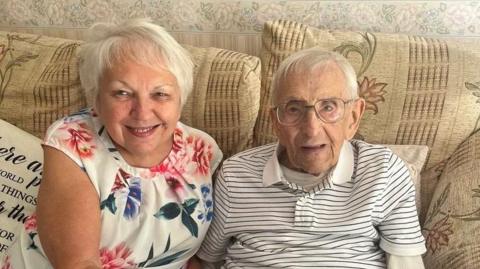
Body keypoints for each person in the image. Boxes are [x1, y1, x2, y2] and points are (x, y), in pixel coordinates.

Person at [1, 18, 222, 269]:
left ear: (180, 100)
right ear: (96, 98)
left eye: (160, 94)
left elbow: (193, 254)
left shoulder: (202, 150)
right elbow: (78, 264)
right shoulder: (71, 142)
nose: (142, 112)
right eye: (122, 93)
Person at [196, 48, 426, 268]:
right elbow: (208, 260)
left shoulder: (384, 171)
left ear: (353, 117)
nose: (311, 129)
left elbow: (406, 263)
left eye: (328, 107)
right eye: (294, 109)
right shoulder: (235, 175)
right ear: (275, 121)